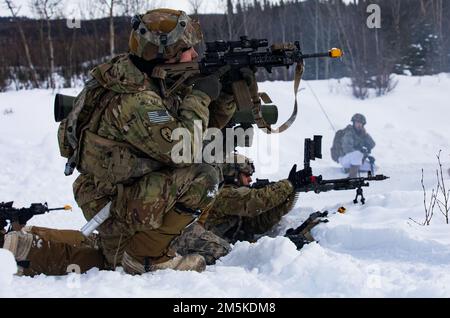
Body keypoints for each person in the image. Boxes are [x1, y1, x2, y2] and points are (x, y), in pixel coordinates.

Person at [2, 9, 241, 276]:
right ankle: (146, 256)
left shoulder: (132, 73)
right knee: (205, 172)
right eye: (186, 49)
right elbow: (184, 149)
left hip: (111, 194)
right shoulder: (137, 100)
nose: (194, 55)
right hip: (116, 202)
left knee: (101, 255)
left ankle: (18, 244)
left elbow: (200, 129)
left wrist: (226, 94)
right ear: (164, 53)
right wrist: (199, 97)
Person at [171, 153, 324, 264]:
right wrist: (288, 185)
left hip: (204, 240)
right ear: (233, 174)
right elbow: (254, 201)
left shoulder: (236, 197)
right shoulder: (223, 194)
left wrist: (288, 195)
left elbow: (258, 224)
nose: (250, 179)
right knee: (227, 254)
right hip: (184, 240)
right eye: (246, 174)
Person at [331, 113, 376, 178]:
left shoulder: (362, 133)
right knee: (358, 154)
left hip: (355, 160)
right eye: (357, 122)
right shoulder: (349, 132)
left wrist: (365, 135)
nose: (359, 124)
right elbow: (347, 149)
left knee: (373, 167)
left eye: (361, 123)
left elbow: (372, 144)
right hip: (344, 158)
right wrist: (361, 153)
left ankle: (348, 169)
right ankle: (352, 177)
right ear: (354, 122)